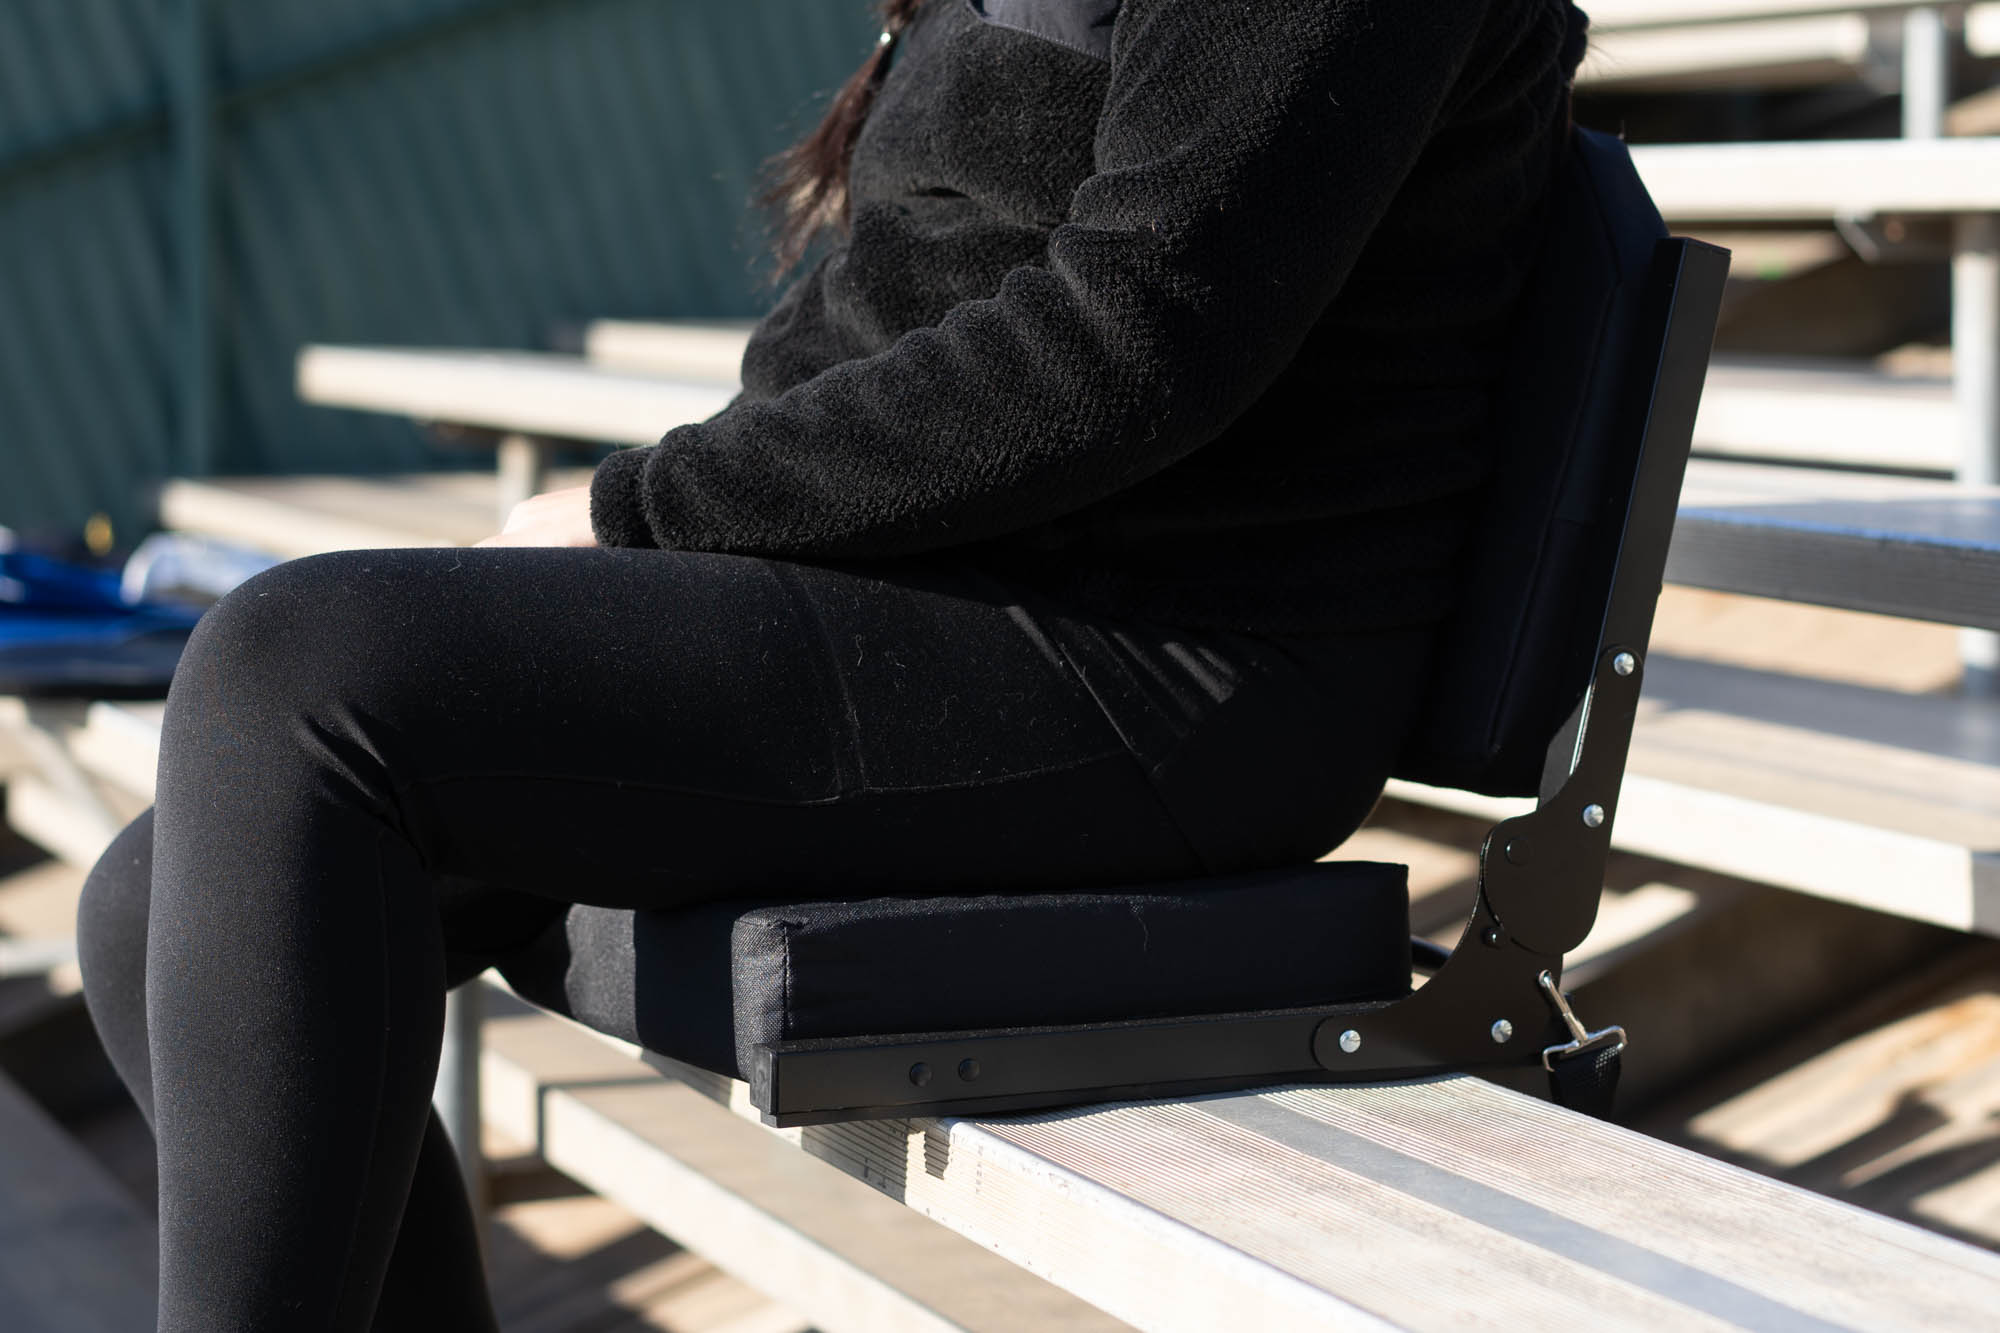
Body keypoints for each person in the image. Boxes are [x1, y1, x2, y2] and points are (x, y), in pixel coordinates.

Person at [76, 1, 1589, 1327]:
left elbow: (1137, 335)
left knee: (294, 670)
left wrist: (637, 515)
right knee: (151, 901)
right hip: (976, 592)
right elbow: (899, 299)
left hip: (1175, 664)